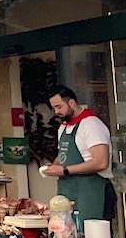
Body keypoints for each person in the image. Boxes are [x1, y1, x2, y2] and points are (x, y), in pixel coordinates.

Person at [43, 85, 115, 226]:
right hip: (68, 191)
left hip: (92, 192)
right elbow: (63, 154)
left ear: (71, 103)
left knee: (92, 234)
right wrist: (54, 166)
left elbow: (101, 162)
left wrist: (65, 170)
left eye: (59, 107)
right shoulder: (63, 127)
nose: (56, 112)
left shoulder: (91, 125)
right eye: (54, 108)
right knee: (67, 232)